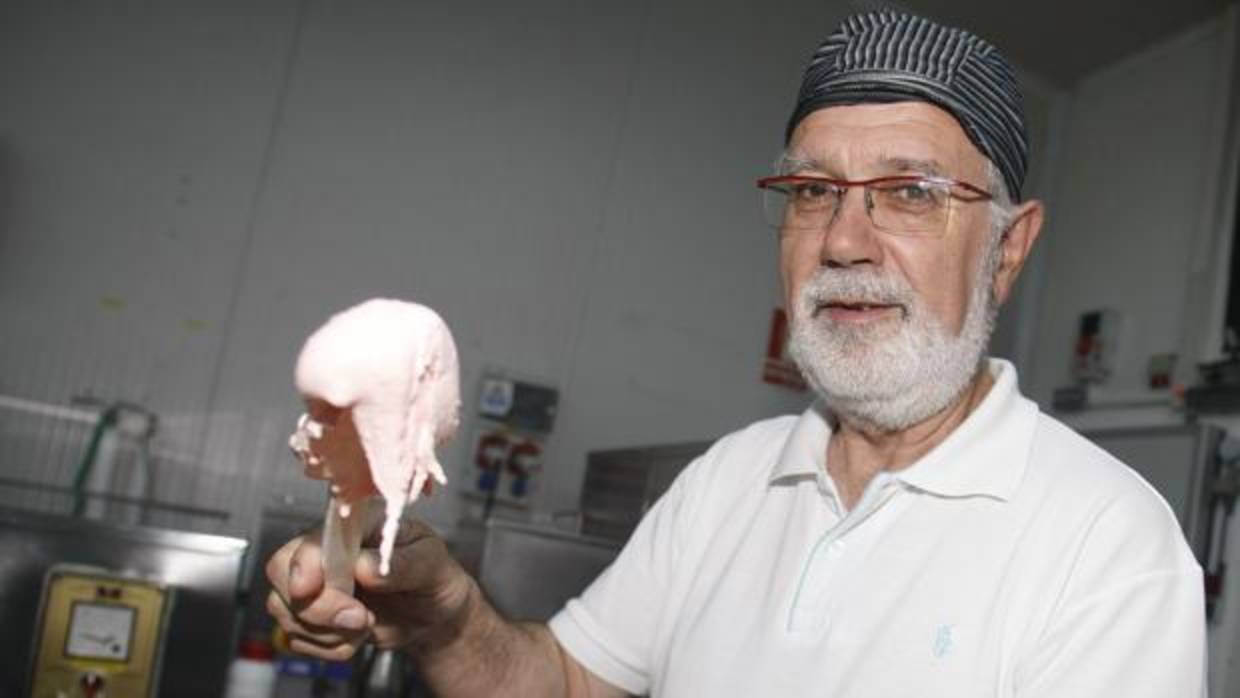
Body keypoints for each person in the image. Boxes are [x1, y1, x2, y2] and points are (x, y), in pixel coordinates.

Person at [266, 10, 1206, 696]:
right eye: (810, 190)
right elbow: (562, 684)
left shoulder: (1107, 546)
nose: (844, 241)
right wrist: (444, 614)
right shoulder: (731, 480)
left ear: (1007, 248)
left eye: (911, 193)